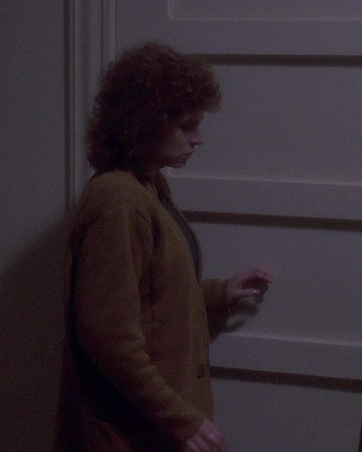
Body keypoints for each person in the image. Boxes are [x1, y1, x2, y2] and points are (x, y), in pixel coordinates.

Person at [55, 42, 272, 452]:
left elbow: (151, 291)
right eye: (187, 127)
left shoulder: (148, 184)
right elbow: (108, 336)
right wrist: (180, 420)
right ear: (145, 123)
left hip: (152, 426)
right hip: (132, 430)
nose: (198, 139)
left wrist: (218, 292)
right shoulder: (119, 201)